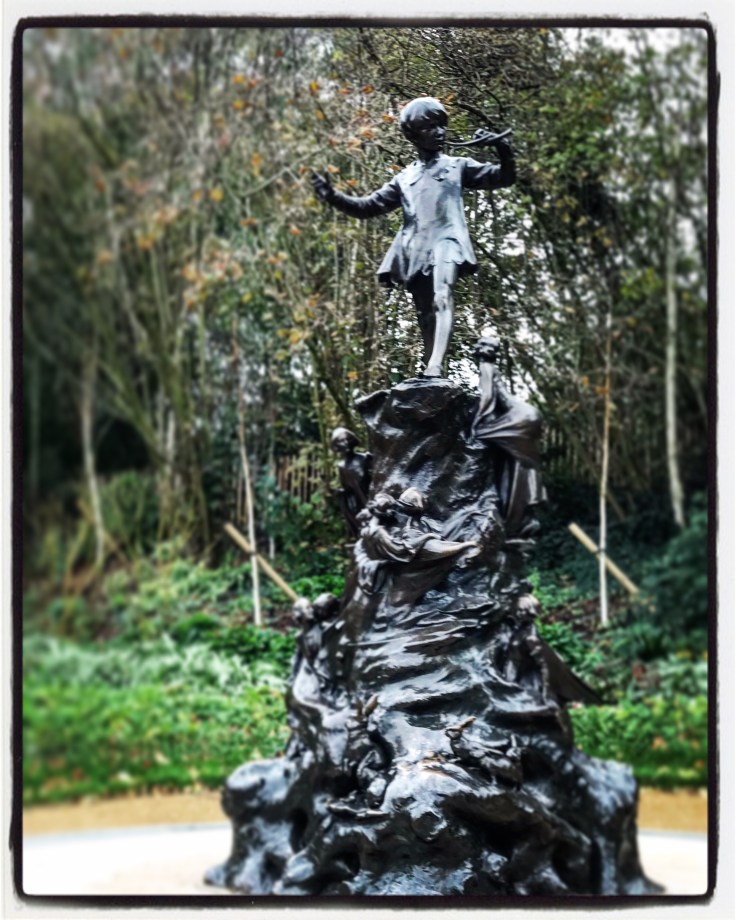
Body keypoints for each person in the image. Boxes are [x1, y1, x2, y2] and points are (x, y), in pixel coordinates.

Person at [312, 97, 515, 377]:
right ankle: (431, 370)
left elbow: (504, 177)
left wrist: (502, 148)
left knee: (442, 294)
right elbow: (367, 207)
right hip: (416, 249)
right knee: (425, 315)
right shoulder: (405, 178)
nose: (440, 132)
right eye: (430, 127)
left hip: (448, 241)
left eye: (442, 126)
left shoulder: (458, 165)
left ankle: (435, 365)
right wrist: (333, 196)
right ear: (414, 134)